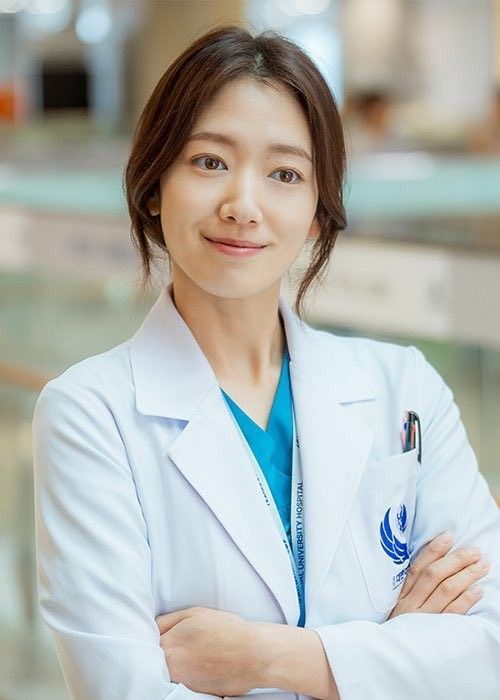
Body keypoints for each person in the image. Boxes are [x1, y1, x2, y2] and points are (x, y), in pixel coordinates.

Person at [32, 25, 500, 700]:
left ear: (316, 211)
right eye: (210, 162)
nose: (243, 206)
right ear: (155, 184)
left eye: (285, 174)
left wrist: (272, 660)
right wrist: (394, 652)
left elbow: (487, 653)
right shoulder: (89, 416)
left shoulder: (403, 388)